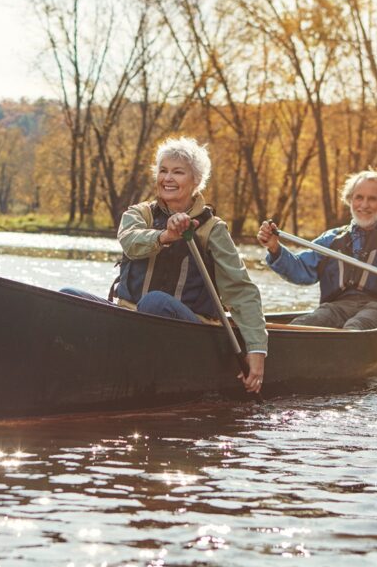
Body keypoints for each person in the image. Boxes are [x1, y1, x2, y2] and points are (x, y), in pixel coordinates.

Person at [62, 137, 267, 394]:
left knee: (154, 302)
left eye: (178, 172)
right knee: (67, 296)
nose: (168, 178)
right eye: (163, 170)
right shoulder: (139, 214)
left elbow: (241, 291)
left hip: (187, 330)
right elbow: (129, 241)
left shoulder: (213, 229)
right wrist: (164, 236)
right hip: (131, 319)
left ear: (196, 181)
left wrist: (256, 349)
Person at [256, 170, 377, 330]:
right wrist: (274, 248)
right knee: (302, 325)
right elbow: (301, 270)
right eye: (359, 197)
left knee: (356, 326)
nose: (364, 205)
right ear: (349, 200)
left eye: (372, 199)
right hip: (337, 307)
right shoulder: (331, 240)